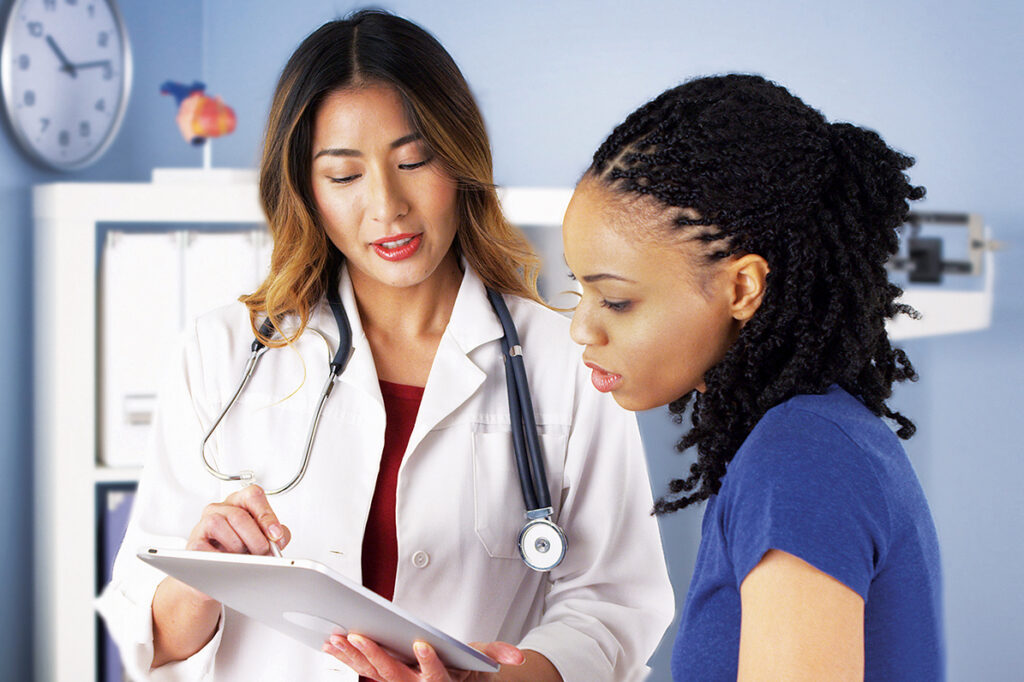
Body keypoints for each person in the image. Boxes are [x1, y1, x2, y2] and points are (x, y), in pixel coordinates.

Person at [98, 10, 673, 682]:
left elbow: (613, 604)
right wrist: (203, 576)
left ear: (459, 160)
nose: (387, 206)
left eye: (414, 160)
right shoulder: (223, 351)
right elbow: (149, 634)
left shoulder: (566, 357)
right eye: (345, 176)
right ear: (305, 189)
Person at [562, 74, 944, 680]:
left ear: (742, 287)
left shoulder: (801, 460)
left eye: (615, 301)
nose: (583, 328)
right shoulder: (807, 440)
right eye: (577, 289)